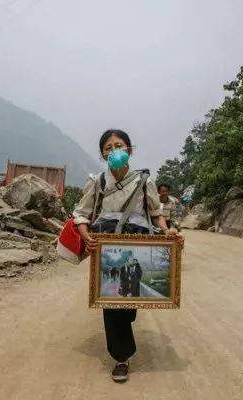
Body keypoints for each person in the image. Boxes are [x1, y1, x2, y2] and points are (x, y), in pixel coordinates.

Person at [73, 129, 181, 383]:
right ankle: (121, 356)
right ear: (102, 153)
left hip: (138, 245)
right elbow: (81, 213)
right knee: (113, 301)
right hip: (109, 248)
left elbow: (156, 213)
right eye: (108, 147)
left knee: (129, 297)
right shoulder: (97, 182)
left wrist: (168, 231)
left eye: (119, 145)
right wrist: (86, 235)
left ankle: (126, 316)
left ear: (130, 150)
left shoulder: (144, 182)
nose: (114, 151)